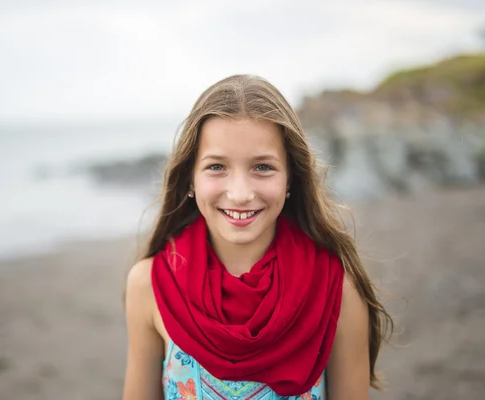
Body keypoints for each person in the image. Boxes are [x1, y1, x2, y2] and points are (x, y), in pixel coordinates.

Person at [122, 74, 393, 400]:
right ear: (190, 177)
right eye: (217, 167)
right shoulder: (149, 284)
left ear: (291, 177)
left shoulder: (338, 288)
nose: (239, 194)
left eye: (263, 167)